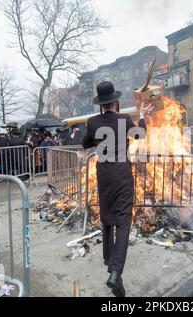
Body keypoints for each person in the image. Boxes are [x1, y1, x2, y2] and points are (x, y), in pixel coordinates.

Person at [82, 81, 153, 297]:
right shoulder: (123, 119)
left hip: (104, 174)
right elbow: (140, 135)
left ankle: (107, 256)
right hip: (122, 173)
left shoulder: (92, 122)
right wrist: (142, 116)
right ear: (116, 101)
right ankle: (115, 272)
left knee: (106, 214)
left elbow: (86, 144)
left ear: (101, 104)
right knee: (123, 221)